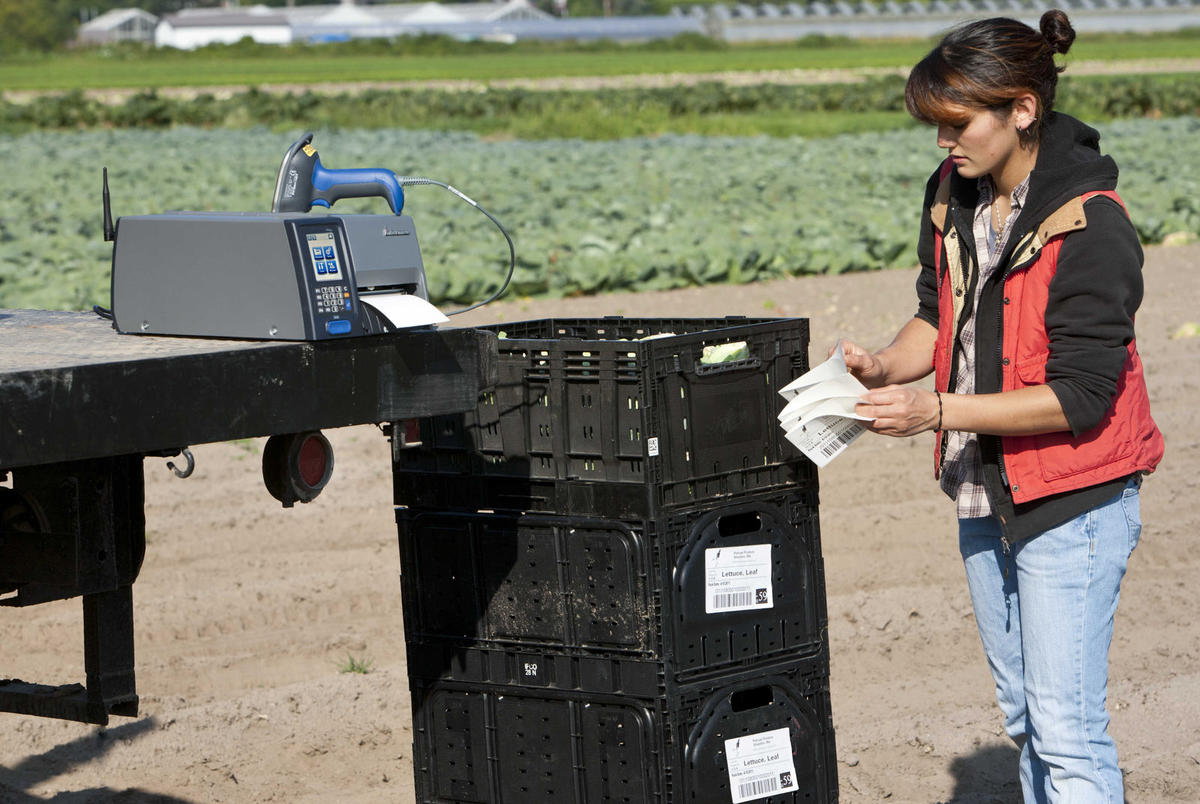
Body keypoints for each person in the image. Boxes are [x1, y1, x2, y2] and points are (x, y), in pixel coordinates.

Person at [838, 10, 1165, 803]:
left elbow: (1082, 398)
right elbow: (937, 316)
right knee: (1025, 717)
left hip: (1072, 499)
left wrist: (937, 411)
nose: (943, 142)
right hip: (986, 492)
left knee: (1066, 728)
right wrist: (884, 364)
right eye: (935, 125)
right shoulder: (954, 194)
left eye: (957, 123)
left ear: (1022, 108)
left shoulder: (1091, 224)